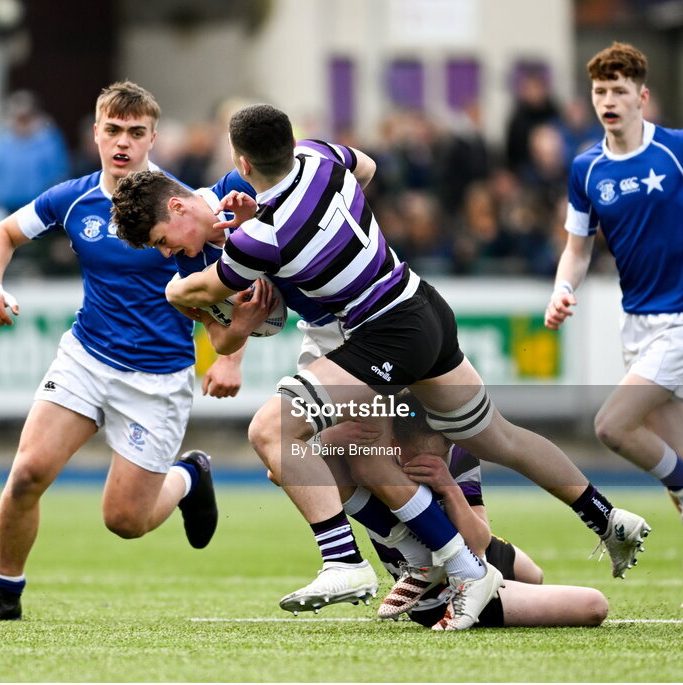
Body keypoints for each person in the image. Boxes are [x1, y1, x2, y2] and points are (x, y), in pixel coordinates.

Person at [113, 105, 652, 630]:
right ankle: (604, 518)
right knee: (489, 438)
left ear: (239, 166)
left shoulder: (259, 236)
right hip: (418, 303)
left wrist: (183, 293)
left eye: (163, 242)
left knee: (302, 442)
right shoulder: (318, 157)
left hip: (374, 334)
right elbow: (364, 170)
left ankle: (389, 566)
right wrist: (318, 229)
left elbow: (213, 297)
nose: (169, 254)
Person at [0, 81, 249, 622]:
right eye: (113, 130)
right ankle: (4, 594)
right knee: (27, 473)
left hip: (157, 379)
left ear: (152, 139)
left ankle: (189, 477)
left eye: (135, 133)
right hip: (86, 359)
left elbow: (232, 289)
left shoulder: (187, 207)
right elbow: (1, 234)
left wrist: (229, 358)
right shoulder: (74, 199)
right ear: (95, 133)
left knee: (125, 520)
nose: (122, 143)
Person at [546, 43, 683, 609]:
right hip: (636, 323)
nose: (609, 100)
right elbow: (576, 249)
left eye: (620, 90)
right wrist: (563, 289)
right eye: (600, 91)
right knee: (674, 454)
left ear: (642, 96)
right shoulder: (585, 168)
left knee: (612, 427)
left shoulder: (681, 148)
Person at [359, 392, 609, 629]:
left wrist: (449, 487)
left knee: (533, 575)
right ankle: (478, 601)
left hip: (472, 551)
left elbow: (479, 543)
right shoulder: (373, 466)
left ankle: (506, 591)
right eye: (418, 459)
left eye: (441, 454)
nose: (433, 464)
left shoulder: (458, 452)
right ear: (393, 444)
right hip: (439, 592)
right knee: (593, 605)